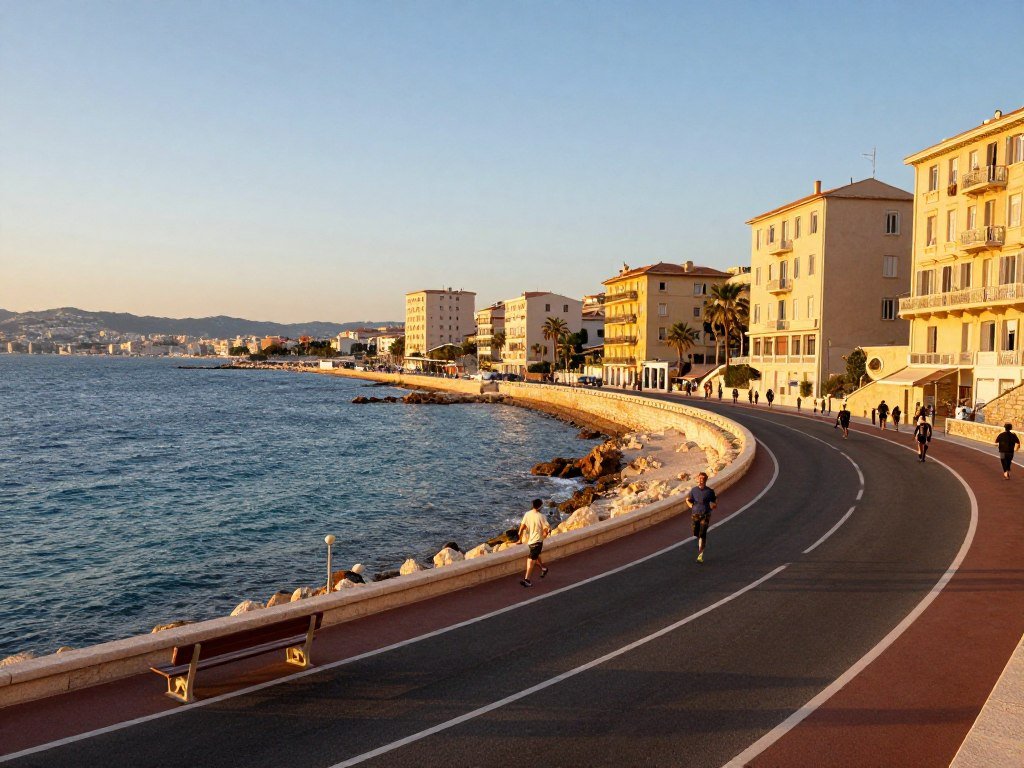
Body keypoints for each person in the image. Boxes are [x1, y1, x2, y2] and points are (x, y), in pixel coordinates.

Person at [517, 499, 550, 587]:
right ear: (540, 506)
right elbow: (546, 529)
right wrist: (544, 536)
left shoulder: (527, 514)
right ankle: (544, 568)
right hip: (537, 541)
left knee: (531, 559)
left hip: (532, 541)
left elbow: (522, 526)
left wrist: (519, 538)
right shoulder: (542, 516)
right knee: (535, 557)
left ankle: (527, 580)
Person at [685, 471, 717, 563]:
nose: (701, 480)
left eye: (703, 478)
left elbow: (715, 502)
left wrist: (713, 505)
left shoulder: (710, 491)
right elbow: (688, 499)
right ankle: (699, 540)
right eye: (700, 478)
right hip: (695, 514)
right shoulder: (694, 490)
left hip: (705, 514)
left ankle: (700, 554)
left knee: (702, 533)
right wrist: (691, 506)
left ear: (705, 480)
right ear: (697, 479)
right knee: (696, 532)